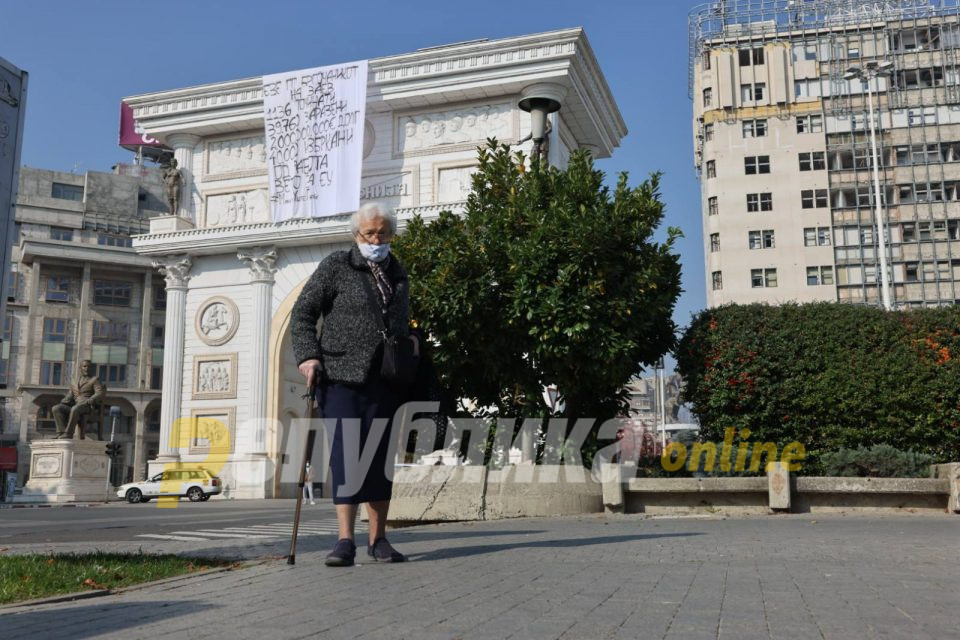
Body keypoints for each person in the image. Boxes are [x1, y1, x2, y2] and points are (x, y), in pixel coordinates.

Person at [290, 202, 417, 567]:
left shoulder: (398, 272)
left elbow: (400, 321)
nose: (376, 240)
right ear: (356, 235)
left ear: (391, 234)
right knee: (348, 455)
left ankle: (379, 539)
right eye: (369, 234)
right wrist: (308, 355)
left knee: (379, 458)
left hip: (386, 379)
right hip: (341, 376)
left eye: (383, 233)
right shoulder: (336, 266)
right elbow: (303, 313)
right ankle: (345, 540)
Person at [53, 360, 106, 440]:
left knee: (75, 409)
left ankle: (69, 434)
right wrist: (64, 401)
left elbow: (100, 393)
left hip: (88, 406)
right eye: (84, 366)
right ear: (80, 368)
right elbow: (70, 395)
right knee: (56, 408)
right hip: (76, 405)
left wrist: (92, 398)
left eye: (89, 366)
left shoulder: (95, 380)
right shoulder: (74, 381)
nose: (87, 368)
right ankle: (61, 432)